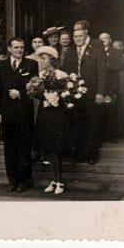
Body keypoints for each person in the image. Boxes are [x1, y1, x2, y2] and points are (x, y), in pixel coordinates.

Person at [0, 37, 38, 192]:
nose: (20, 50)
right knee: (10, 148)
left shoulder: (31, 65)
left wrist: (19, 93)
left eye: (22, 47)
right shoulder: (2, 65)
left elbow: (35, 88)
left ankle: (25, 181)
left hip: (24, 113)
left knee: (24, 147)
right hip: (7, 113)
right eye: (16, 47)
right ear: (9, 49)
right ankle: (12, 180)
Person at [63, 28, 106, 164]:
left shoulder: (96, 51)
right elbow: (65, 72)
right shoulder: (70, 52)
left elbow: (102, 74)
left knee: (92, 125)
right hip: (74, 94)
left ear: (86, 35)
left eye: (80, 36)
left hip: (91, 94)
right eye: (75, 37)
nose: (78, 39)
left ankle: (92, 155)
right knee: (76, 125)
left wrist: (100, 92)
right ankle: (79, 154)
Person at [33, 46, 70, 195]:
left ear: (52, 60)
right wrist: (42, 96)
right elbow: (37, 93)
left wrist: (56, 98)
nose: (41, 61)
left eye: (44, 58)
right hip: (45, 113)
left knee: (56, 148)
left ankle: (59, 181)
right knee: (48, 147)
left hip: (56, 114)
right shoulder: (41, 75)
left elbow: (67, 94)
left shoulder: (61, 75)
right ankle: (54, 180)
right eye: (40, 58)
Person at [99, 33, 124, 143]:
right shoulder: (96, 51)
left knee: (111, 111)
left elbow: (120, 66)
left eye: (106, 38)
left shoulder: (115, 52)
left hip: (111, 85)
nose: (104, 40)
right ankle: (100, 136)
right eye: (101, 38)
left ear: (110, 40)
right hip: (98, 86)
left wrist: (106, 66)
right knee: (99, 111)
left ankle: (111, 136)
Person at [112, 40, 124, 138]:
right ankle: (116, 133)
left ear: (122, 47)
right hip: (112, 89)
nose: (117, 49)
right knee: (114, 112)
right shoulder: (109, 58)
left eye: (118, 46)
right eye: (114, 47)